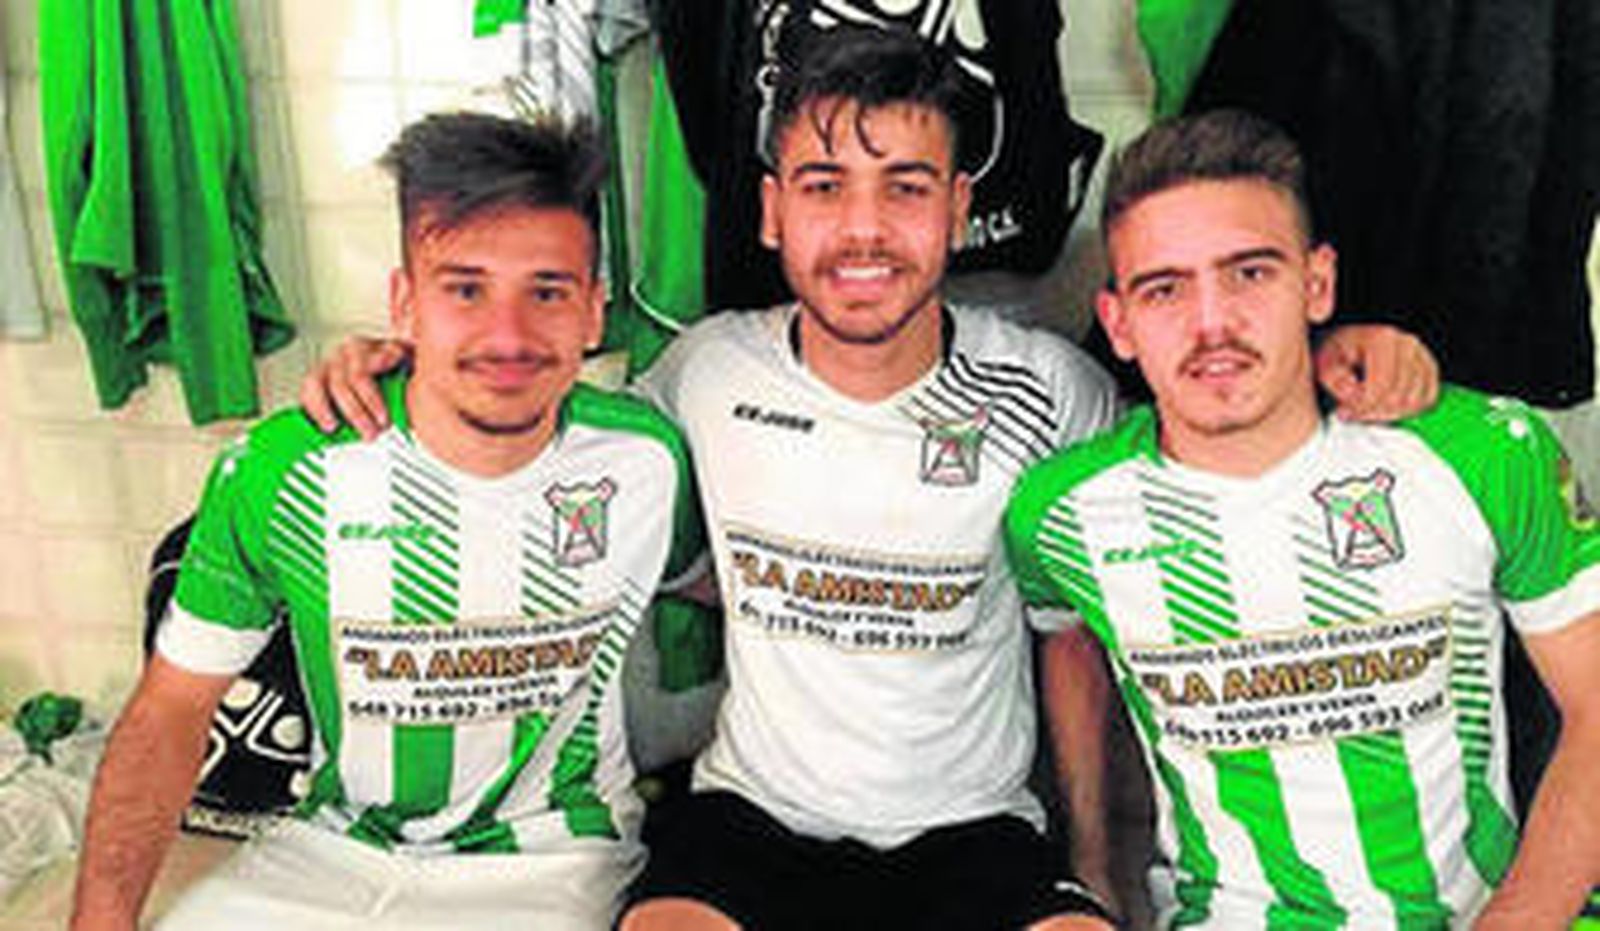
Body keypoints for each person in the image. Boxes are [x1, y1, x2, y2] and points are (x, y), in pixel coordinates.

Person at [300, 28, 1439, 930]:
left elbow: (1191, 460)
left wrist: (1341, 354)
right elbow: (531, 418)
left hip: (975, 833)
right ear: (769, 211)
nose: (863, 230)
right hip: (749, 821)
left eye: (904, 187)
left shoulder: (1055, 391)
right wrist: (400, 361)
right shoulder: (702, 374)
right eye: (823, 185)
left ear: (957, 208)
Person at [70, 112, 705, 931]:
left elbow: (731, 588)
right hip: (329, 851)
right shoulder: (285, 466)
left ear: (593, 312)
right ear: (405, 304)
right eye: (465, 289)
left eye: (546, 291)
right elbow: (170, 710)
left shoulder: (646, 458)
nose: (507, 335)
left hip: (552, 856)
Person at [1005, 109, 1600, 928]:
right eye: (1165, 288)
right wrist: (1092, 863)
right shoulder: (1061, 512)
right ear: (1118, 323)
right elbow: (1066, 637)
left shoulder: (1483, 454)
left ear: (1317, 283)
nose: (1212, 322)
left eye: (1249, 273)